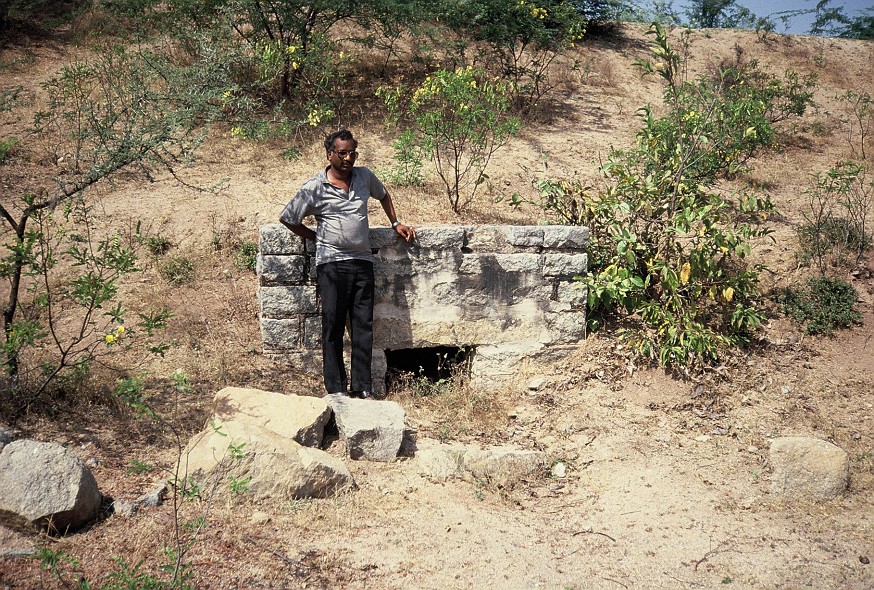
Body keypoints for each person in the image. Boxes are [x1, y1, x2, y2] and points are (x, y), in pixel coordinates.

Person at [279, 129, 415, 398]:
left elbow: (384, 194)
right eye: (342, 153)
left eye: (352, 153)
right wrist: (316, 237)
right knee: (333, 325)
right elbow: (289, 217)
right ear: (329, 154)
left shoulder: (364, 176)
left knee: (363, 326)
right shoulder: (314, 187)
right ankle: (336, 389)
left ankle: (361, 388)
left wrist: (395, 223)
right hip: (331, 264)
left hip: (362, 262)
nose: (348, 158)